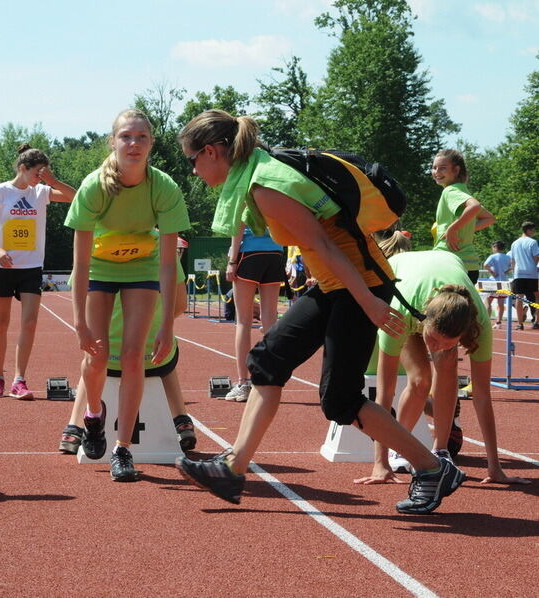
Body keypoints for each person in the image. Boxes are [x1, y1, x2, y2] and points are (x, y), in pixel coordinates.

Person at [174, 110, 464, 514]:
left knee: (340, 400)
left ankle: (434, 469)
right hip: (336, 284)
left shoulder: (265, 184)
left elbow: (325, 247)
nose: (193, 171)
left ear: (210, 151)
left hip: (357, 286)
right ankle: (232, 467)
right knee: (267, 361)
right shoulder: (261, 173)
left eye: (192, 161)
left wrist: (369, 303)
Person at [65, 109, 190, 482]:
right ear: (113, 141)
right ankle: (92, 415)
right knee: (97, 353)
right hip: (99, 269)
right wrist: (78, 322)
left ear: (151, 143)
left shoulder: (163, 187)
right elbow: (81, 264)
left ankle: (123, 450)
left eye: (141, 137)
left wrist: (166, 324)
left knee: (134, 355)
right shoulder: (94, 187)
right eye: (126, 137)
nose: (133, 144)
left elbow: (168, 266)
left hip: (142, 268)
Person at [354, 237, 529, 487]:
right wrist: (379, 464)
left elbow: (482, 396)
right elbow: (385, 393)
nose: (434, 348)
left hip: (446, 272)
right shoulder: (399, 316)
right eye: (432, 340)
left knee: (446, 365)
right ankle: (395, 450)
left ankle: (441, 451)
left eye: (448, 342)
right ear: (424, 322)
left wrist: (495, 466)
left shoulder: (479, 323)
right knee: (420, 379)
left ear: (464, 333)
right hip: (398, 277)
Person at [60, 250, 196, 454]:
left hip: (109, 363)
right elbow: (180, 305)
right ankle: (181, 420)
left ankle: (75, 427)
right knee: (164, 348)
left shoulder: (95, 248)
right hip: (152, 362)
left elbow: (83, 301)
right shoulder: (164, 251)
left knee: (93, 355)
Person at [0, 144, 76, 400]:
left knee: (30, 323)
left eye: (44, 174)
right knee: (1, 323)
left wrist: (53, 180)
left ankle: (19, 380)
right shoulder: (0, 191)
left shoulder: (42, 191)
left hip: (31, 266)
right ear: (23, 168)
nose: (39, 178)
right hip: (4, 266)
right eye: (37, 172)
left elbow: (76, 199)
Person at [222, 225, 285, 401]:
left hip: (249, 252)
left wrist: (232, 260)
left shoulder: (243, 195)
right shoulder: (279, 195)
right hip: (275, 251)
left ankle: (243, 383)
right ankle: (271, 380)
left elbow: (239, 225)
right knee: (270, 321)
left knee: (243, 321)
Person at [431, 149, 495, 283]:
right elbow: (489, 218)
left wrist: (452, 229)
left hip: (451, 262)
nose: (436, 172)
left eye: (442, 168)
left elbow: (475, 206)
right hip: (470, 265)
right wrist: (463, 228)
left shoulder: (450, 191)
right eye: (434, 168)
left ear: (456, 170)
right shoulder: (461, 190)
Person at [508, 221, 539, 329]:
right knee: (536, 297)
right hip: (531, 274)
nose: (534, 232)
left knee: (519, 298)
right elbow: (536, 257)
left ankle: (520, 324)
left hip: (518, 273)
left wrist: (513, 271)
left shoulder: (514, 243)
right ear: (528, 230)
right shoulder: (533, 242)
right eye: (533, 230)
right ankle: (536, 322)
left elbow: (512, 261)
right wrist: (532, 267)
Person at [483, 240, 512, 328]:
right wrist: (506, 271)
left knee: (488, 301)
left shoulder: (493, 256)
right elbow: (513, 265)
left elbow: (485, 265)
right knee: (501, 303)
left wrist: (492, 272)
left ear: (495, 248)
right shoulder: (507, 257)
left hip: (493, 281)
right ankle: (498, 322)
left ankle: (487, 321)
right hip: (503, 281)